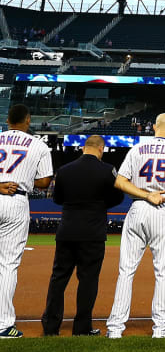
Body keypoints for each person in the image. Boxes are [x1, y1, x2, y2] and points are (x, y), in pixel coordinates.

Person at [107, 113, 165, 339]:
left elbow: (120, 181)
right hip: (163, 209)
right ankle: (161, 327)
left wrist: (145, 194)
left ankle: (115, 328)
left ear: (154, 126)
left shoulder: (137, 149)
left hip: (137, 208)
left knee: (126, 270)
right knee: (162, 270)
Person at [41, 136, 126, 336]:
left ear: (83, 148)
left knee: (58, 278)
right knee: (88, 280)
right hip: (93, 232)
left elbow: (57, 198)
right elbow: (118, 196)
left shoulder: (64, 170)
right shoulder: (107, 170)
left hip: (67, 230)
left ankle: (51, 327)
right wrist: (100, 204)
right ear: (101, 149)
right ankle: (82, 327)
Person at [0, 104, 54, 338]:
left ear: (8, 120)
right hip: (16, 202)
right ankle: (3, 324)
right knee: (8, 265)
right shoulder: (39, 145)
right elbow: (44, 182)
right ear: (28, 120)